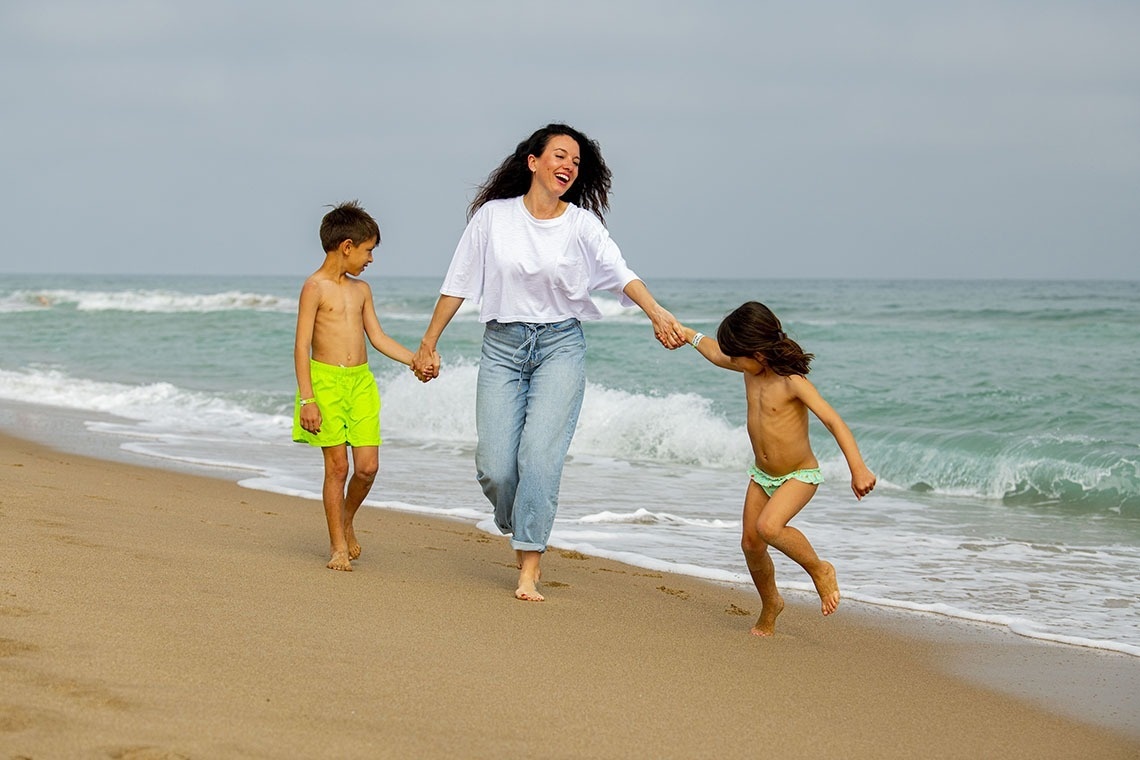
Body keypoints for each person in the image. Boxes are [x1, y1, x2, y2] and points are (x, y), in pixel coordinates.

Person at [411, 123, 687, 601]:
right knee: (496, 467)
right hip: (502, 346)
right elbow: (457, 281)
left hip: (560, 346)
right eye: (560, 156)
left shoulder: (581, 225)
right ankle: (518, 519)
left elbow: (621, 275)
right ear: (533, 162)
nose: (569, 166)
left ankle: (529, 567)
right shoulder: (493, 218)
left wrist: (657, 312)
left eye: (576, 163)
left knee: (539, 459)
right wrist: (428, 342)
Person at [679, 301, 876, 635]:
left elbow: (832, 420)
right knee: (751, 544)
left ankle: (819, 569)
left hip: (799, 475)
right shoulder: (749, 369)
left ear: (757, 354)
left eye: (737, 356)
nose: (731, 361)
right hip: (762, 475)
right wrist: (686, 334)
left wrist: (858, 468)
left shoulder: (791, 382)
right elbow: (715, 353)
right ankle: (771, 602)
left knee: (769, 527)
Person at [293, 201, 428, 572]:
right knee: (337, 468)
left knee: (367, 468)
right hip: (325, 384)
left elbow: (379, 337)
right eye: (368, 250)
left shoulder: (362, 290)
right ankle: (338, 546)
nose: (370, 259)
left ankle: (347, 518)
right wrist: (308, 399)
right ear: (347, 246)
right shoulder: (314, 287)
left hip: (361, 384)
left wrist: (414, 359)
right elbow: (301, 346)